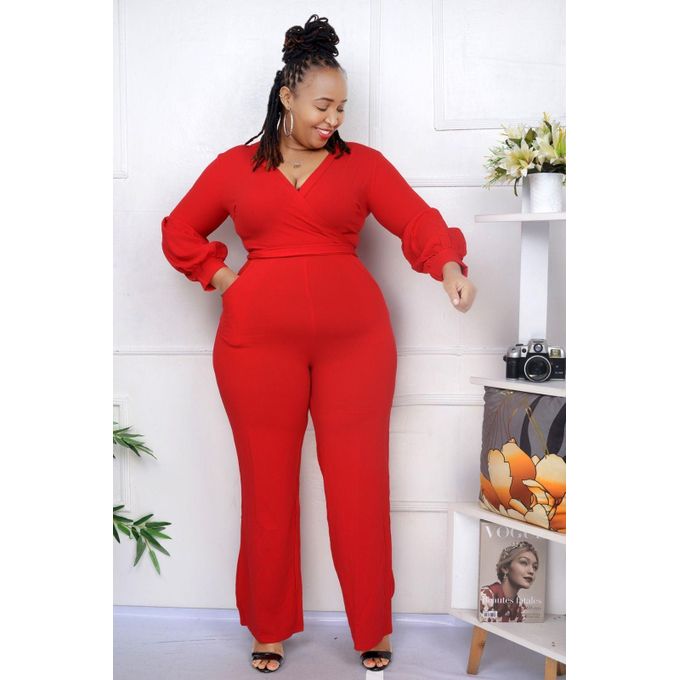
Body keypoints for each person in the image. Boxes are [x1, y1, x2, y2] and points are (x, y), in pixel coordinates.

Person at [161, 13, 477, 674]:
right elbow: (179, 229)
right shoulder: (234, 168)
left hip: (356, 345)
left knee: (359, 485)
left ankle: (372, 626)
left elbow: (416, 221)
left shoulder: (364, 167)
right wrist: (226, 280)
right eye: (323, 105)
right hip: (255, 348)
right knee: (267, 487)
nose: (334, 118)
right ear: (287, 97)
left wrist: (448, 266)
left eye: (342, 107)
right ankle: (269, 627)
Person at [479, 541, 539, 623]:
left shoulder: (521, 609)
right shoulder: (485, 597)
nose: (531, 571)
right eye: (524, 563)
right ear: (505, 568)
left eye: (535, 567)